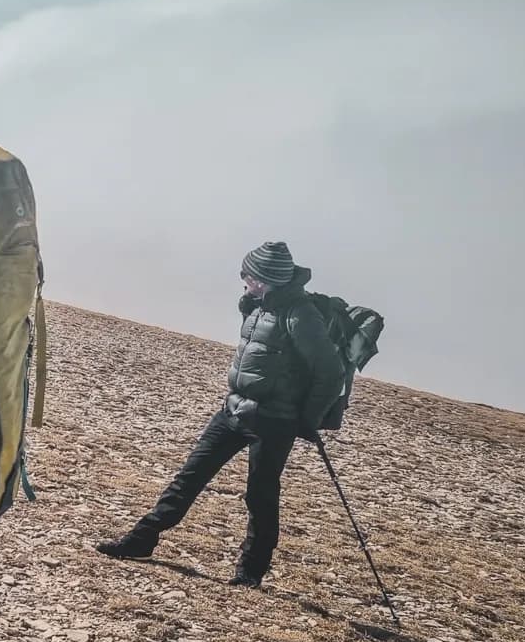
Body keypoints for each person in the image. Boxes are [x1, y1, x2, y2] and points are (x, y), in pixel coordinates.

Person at [96, 241, 346, 587]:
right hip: (233, 410)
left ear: (265, 278)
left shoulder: (300, 314)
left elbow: (329, 372)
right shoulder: (256, 306)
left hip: (274, 421)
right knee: (189, 477)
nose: (243, 278)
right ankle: (142, 540)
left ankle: (250, 572)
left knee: (260, 495)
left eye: (250, 274)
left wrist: (307, 418)